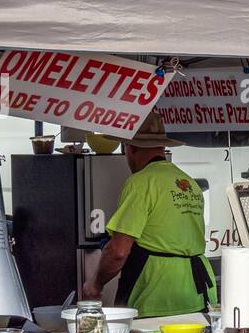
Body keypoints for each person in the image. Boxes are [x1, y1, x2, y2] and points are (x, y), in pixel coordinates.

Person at [82, 111, 217, 316]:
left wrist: (95, 284)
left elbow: (118, 251)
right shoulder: (188, 183)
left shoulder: (141, 182)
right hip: (197, 294)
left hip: (156, 297)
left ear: (131, 148)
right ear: (162, 147)